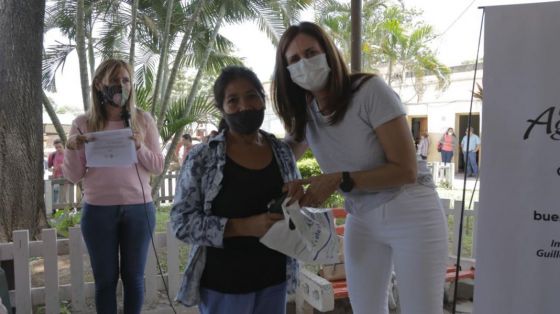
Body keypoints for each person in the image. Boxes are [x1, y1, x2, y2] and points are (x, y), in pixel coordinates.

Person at [271, 22, 448, 314]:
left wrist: (339, 179)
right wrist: (237, 141)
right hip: (362, 216)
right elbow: (284, 153)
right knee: (365, 308)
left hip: (411, 212)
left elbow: (405, 170)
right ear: (286, 70)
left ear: (328, 52)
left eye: (310, 52)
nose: (304, 63)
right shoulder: (307, 110)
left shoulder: (368, 90)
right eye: (294, 59)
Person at [170, 66, 303, 313]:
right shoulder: (203, 158)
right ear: (222, 108)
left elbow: (296, 209)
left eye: (252, 96)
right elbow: (181, 223)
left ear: (263, 100)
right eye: (233, 100)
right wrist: (243, 226)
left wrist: (297, 199)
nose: (244, 106)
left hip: (274, 281)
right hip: (224, 286)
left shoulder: (282, 153)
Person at [63, 59, 164, 314]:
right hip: (98, 211)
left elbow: (158, 166)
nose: (121, 85)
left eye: (126, 80)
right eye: (115, 80)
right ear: (99, 85)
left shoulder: (143, 120)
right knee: (105, 281)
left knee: (134, 279)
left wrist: (139, 145)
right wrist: (71, 148)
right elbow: (74, 175)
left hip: (139, 210)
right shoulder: (82, 123)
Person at [48, 138, 67, 209]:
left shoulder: (68, 154)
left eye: (60, 147)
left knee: (62, 196)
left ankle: (64, 212)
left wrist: (63, 166)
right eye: (56, 147)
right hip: (55, 178)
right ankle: (53, 211)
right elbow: (49, 167)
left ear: (63, 145)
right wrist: (53, 170)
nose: (58, 149)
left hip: (65, 178)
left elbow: (72, 166)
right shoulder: (53, 155)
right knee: (54, 195)